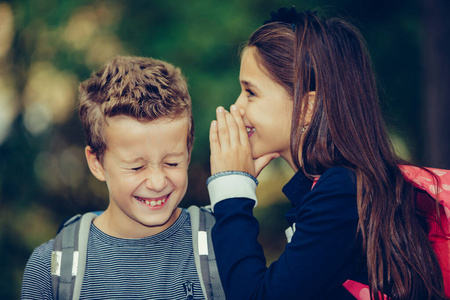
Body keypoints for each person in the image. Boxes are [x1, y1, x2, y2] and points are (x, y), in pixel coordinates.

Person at [207, 7, 448, 300]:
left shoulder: (342, 193)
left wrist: (230, 191)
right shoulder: (344, 188)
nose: (237, 107)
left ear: (308, 107)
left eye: (251, 92)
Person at [21, 56, 207, 299]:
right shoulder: (51, 269)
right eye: (136, 167)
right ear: (96, 163)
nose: (157, 182)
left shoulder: (220, 245)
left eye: (172, 162)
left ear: (188, 152)